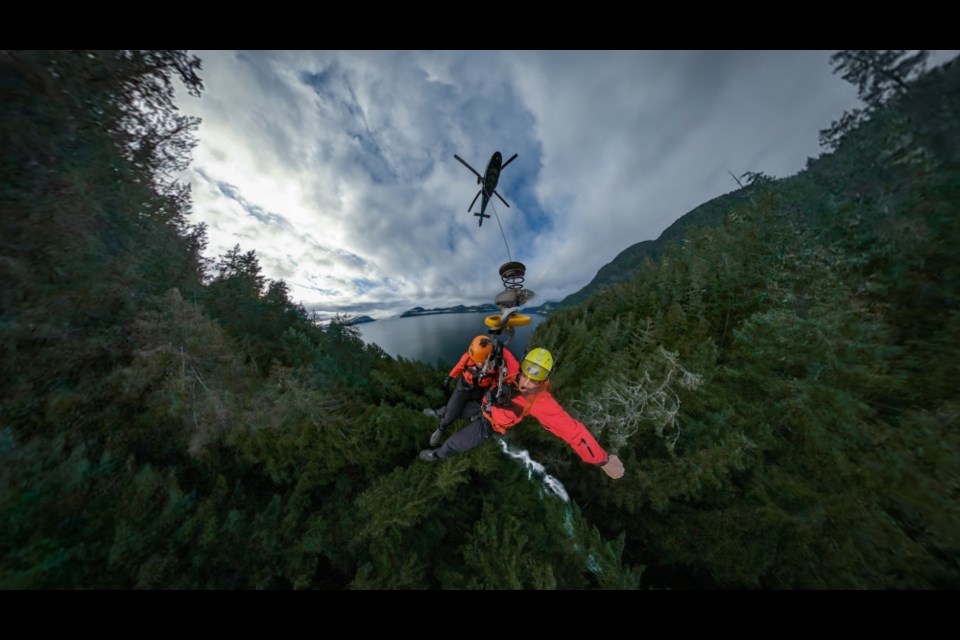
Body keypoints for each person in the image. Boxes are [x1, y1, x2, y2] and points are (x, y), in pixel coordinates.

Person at [419, 346, 625, 480]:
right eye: (525, 375)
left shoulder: (542, 402)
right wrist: (493, 343)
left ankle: (437, 454)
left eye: (533, 380)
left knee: (458, 442)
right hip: (483, 404)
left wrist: (602, 460)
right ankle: (437, 415)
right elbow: (501, 348)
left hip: (491, 424)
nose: (525, 383)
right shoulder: (514, 369)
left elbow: (574, 433)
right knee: (451, 410)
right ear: (523, 365)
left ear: (543, 379)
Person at [424, 335, 518, 447]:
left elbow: (499, 379)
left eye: (478, 361)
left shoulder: (496, 365)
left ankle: (441, 413)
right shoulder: (469, 356)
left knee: (469, 410)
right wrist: (450, 377)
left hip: (480, 389)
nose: (475, 362)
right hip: (464, 387)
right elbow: (459, 366)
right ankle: (440, 428)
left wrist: (497, 391)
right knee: (451, 413)